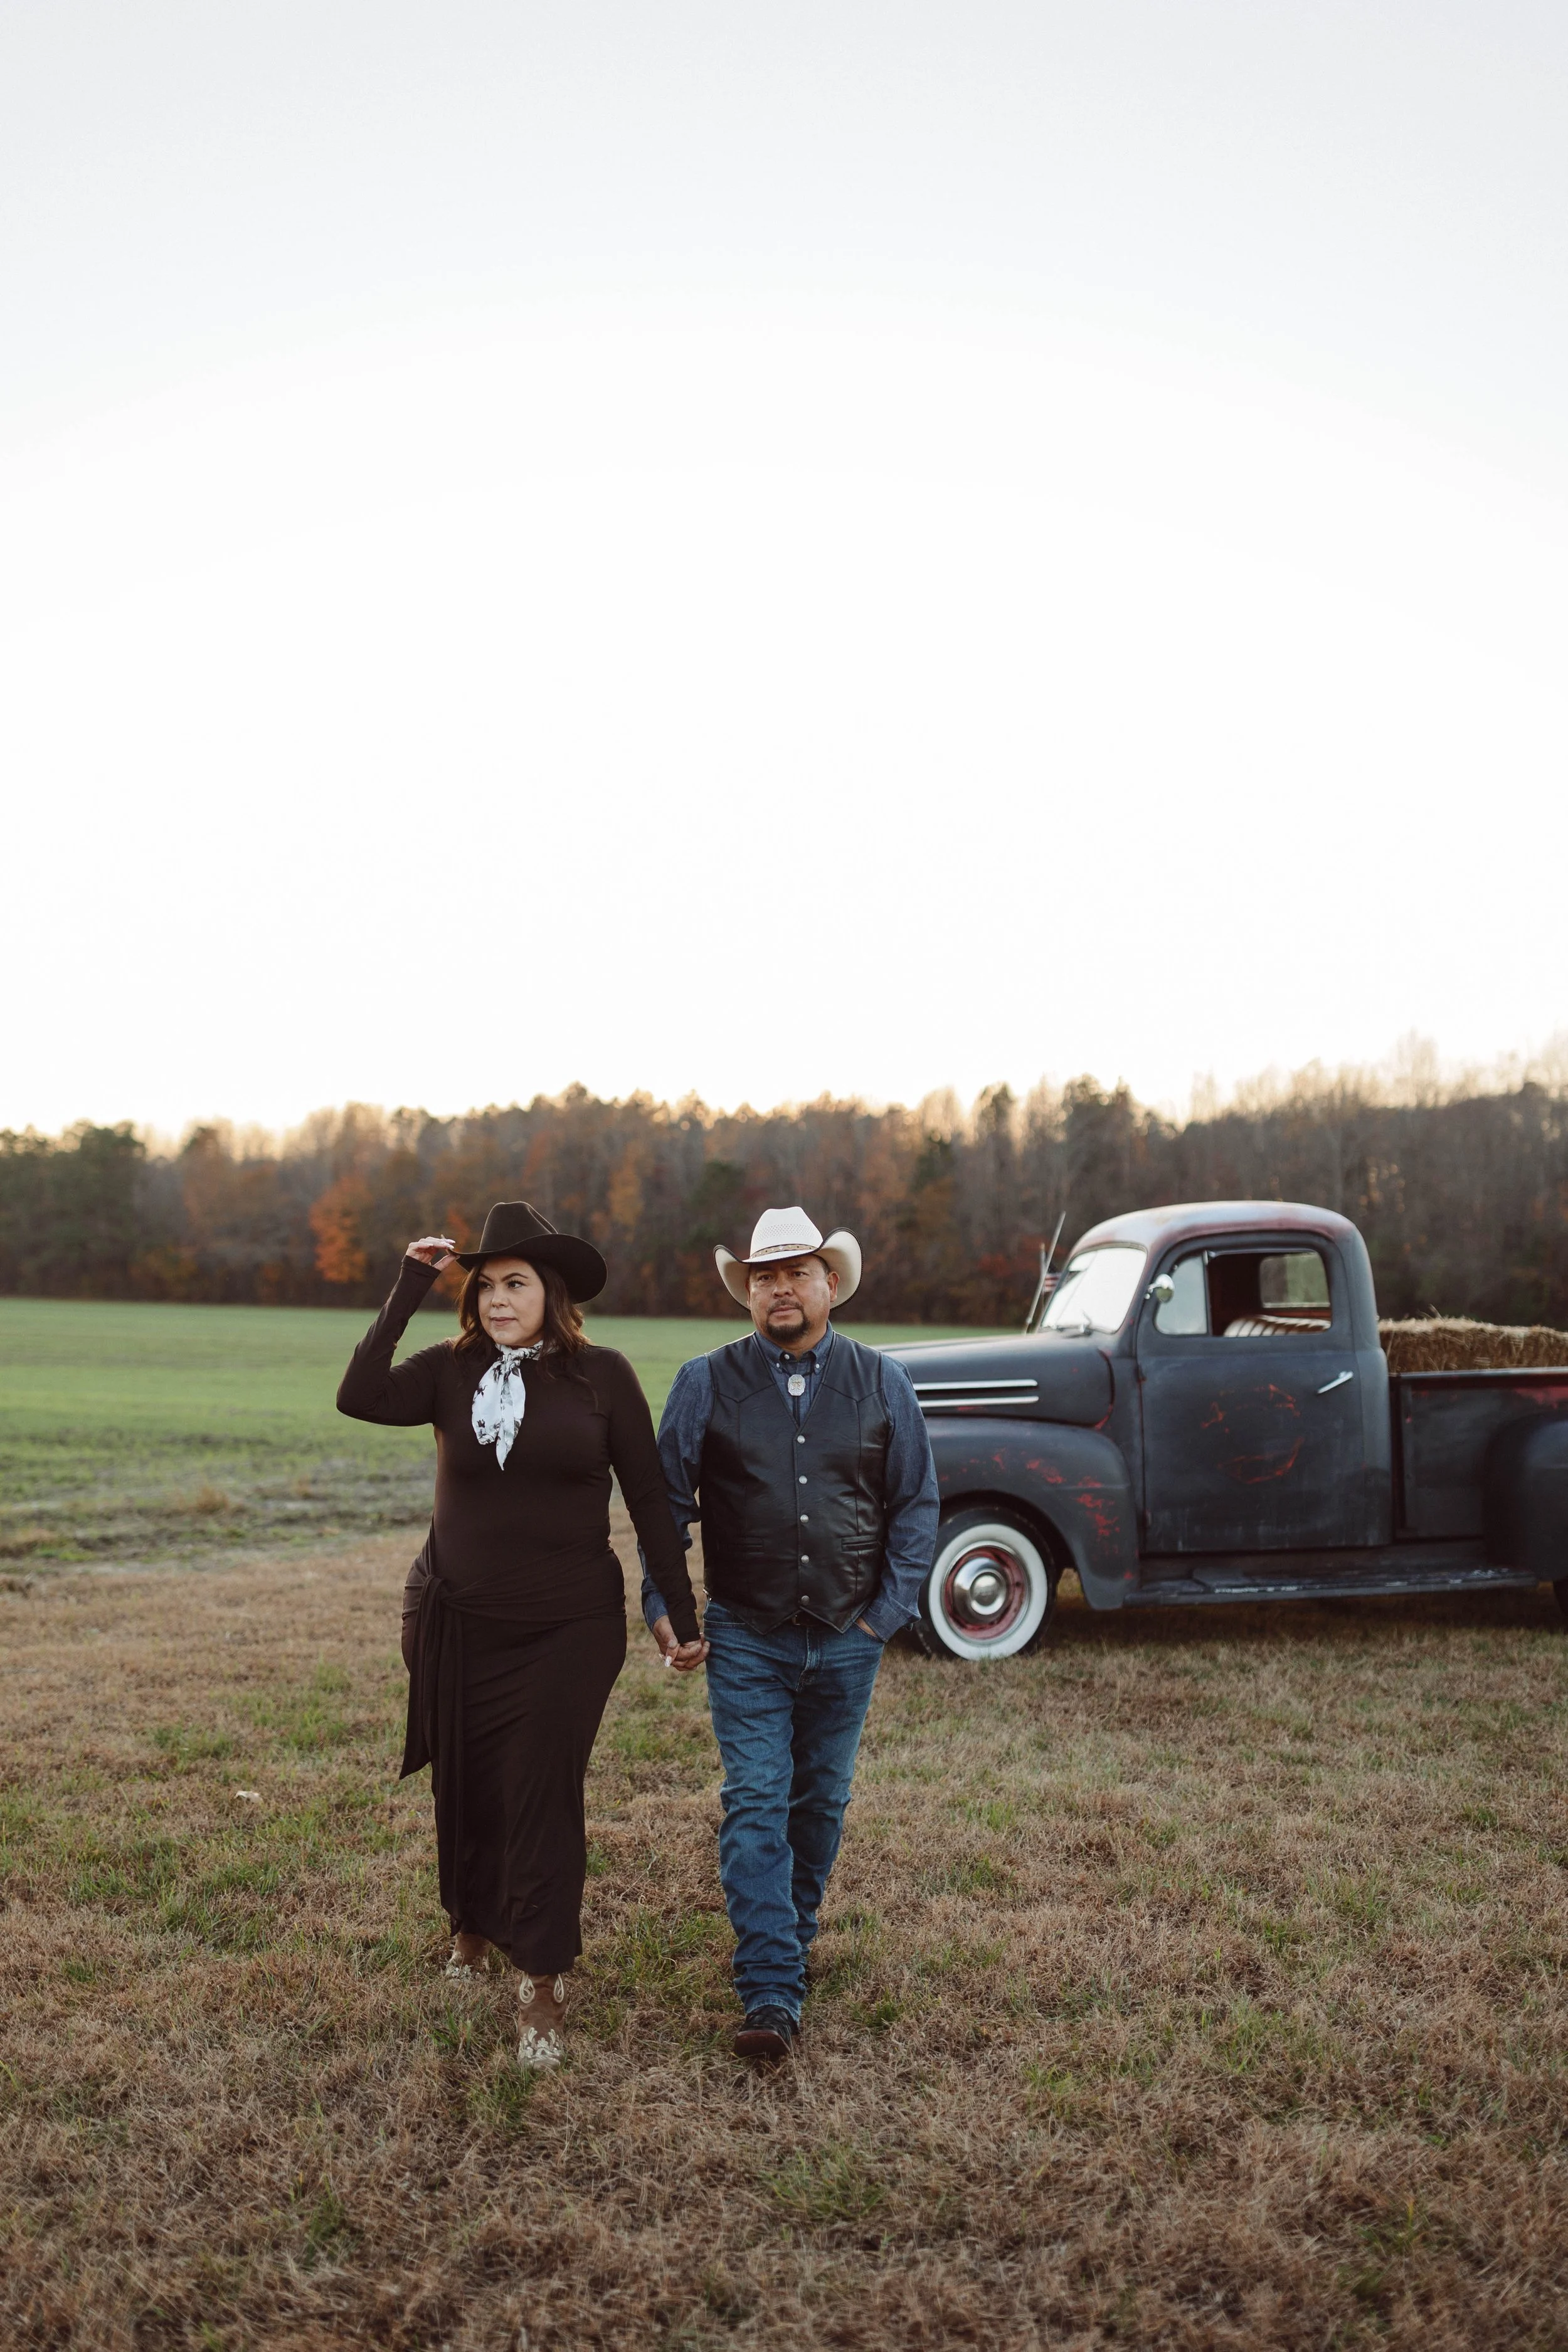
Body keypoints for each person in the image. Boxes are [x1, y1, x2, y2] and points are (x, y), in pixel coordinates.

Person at [337, 1200, 702, 2067]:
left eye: (517, 1283)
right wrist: (409, 1285)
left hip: (566, 1625)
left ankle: (540, 1976)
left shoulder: (603, 1376)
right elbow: (359, 1395)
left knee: (540, 1793)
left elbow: (649, 1497)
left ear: (554, 1292)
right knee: (467, 1783)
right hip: (457, 1618)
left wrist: (678, 1610)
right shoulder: (449, 1370)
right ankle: (469, 1925)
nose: (498, 1299)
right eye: (486, 1285)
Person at [642, 1204, 938, 2061]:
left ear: (829, 1283)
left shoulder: (884, 1380)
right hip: (746, 1634)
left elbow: (916, 1502)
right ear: (750, 1290)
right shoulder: (706, 1380)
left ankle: (791, 1930)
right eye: (765, 1275)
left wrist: (887, 1612)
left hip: (850, 1635)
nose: (781, 1287)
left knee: (822, 1800)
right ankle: (771, 1985)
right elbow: (666, 1504)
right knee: (757, 1798)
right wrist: (666, 1607)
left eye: (797, 1271)